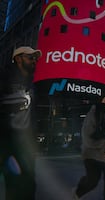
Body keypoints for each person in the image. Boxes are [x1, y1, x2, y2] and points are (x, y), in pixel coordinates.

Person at [0, 46, 41, 200]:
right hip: (7, 144)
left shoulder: (31, 85)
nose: (34, 61)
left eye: (35, 59)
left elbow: (32, 114)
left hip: (25, 145)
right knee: (15, 186)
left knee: (30, 186)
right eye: (30, 58)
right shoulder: (4, 77)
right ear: (18, 59)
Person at [73, 96, 105, 200]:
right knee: (92, 181)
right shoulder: (92, 115)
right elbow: (87, 140)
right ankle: (77, 193)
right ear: (99, 101)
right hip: (93, 156)